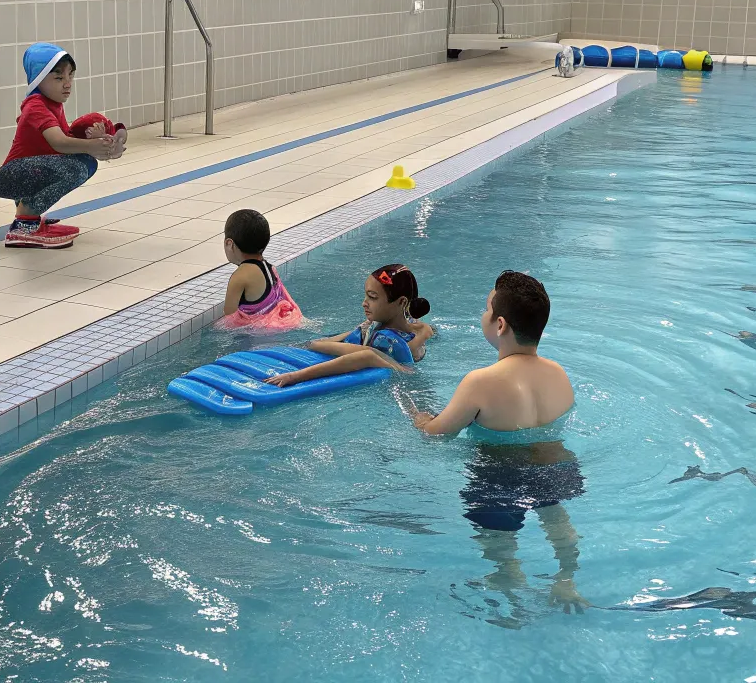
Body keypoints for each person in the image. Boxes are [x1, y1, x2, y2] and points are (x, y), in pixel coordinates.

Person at [407, 271, 586, 620]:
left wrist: (419, 419)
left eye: (485, 309)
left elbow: (437, 434)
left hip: (498, 472)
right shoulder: (559, 374)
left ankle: (510, 582)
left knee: (498, 542)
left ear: (500, 324)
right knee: (556, 515)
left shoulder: (481, 381)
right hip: (556, 461)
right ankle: (566, 578)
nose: (482, 316)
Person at [0, 43, 126, 249]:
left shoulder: (52, 105)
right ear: (38, 78)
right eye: (59, 77)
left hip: (25, 171)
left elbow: (67, 137)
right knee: (78, 166)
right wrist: (91, 147)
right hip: (13, 175)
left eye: (71, 76)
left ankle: (31, 220)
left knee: (83, 159)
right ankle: (25, 223)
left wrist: (109, 138)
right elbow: (59, 142)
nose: (67, 83)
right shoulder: (36, 105)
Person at [266, 264, 433, 387]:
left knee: (315, 344)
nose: (364, 303)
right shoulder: (406, 329)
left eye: (372, 297)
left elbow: (366, 356)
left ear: (401, 302)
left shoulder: (385, 341)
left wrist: (295, 376)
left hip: (398, 386)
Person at [220, 209, 302, 330]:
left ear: (229, 243)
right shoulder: (270, 268)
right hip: (280, 326)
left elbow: (229, 320)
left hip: (259, 335)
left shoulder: (240, 276)